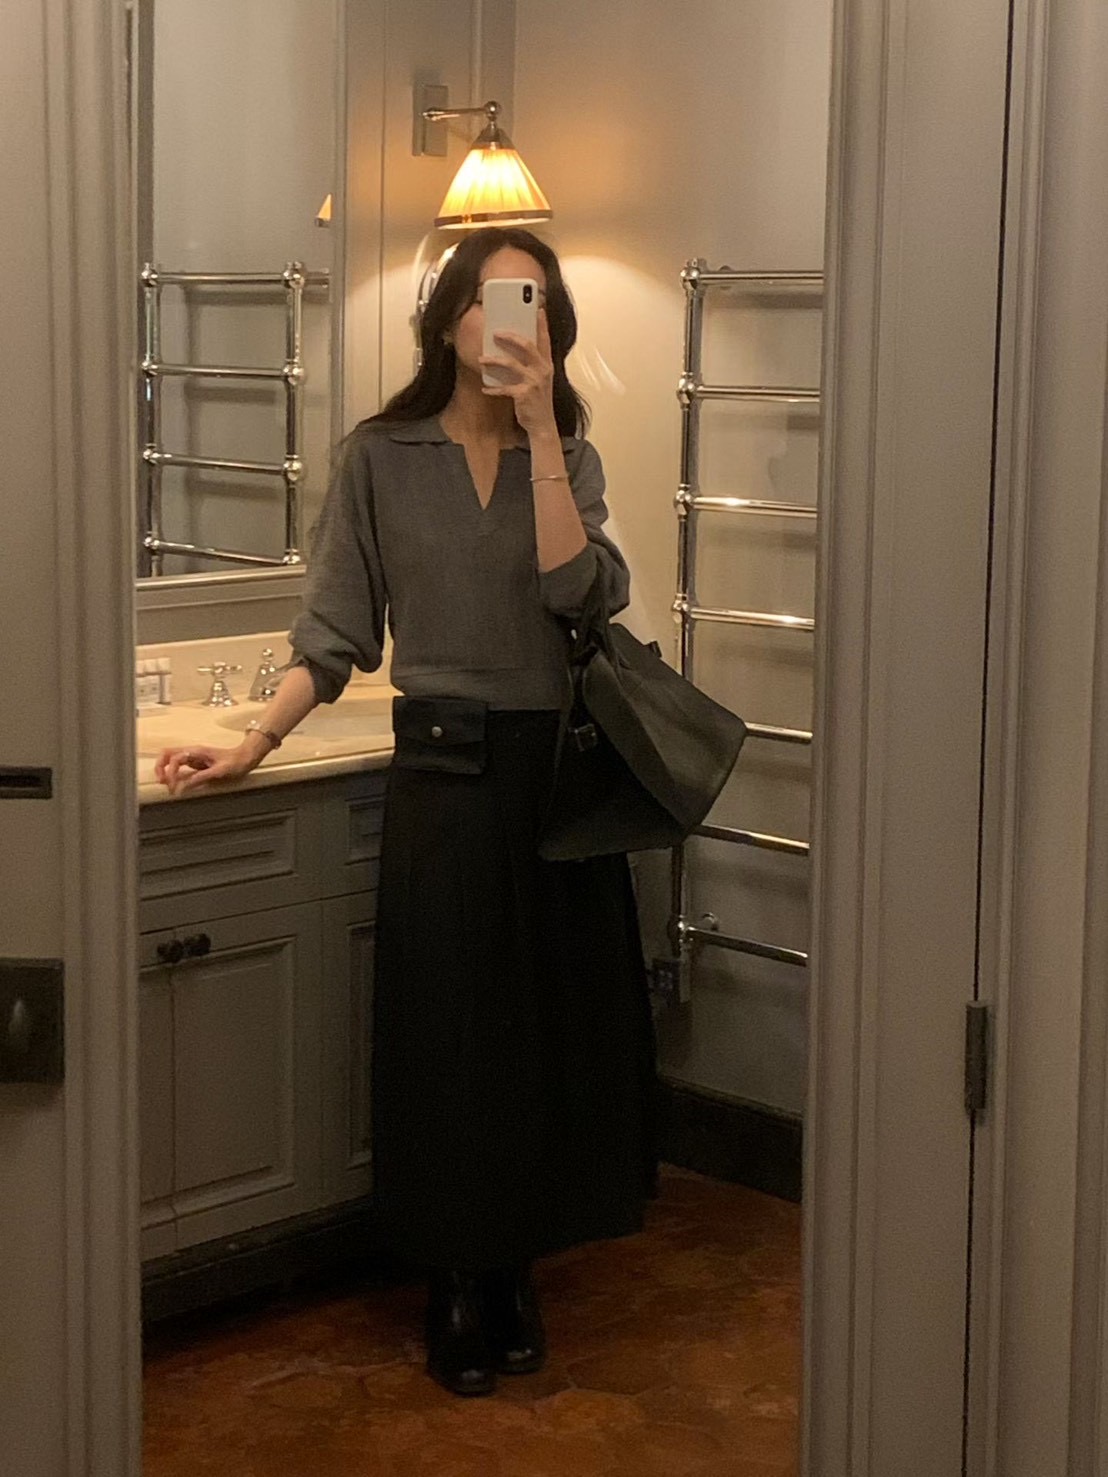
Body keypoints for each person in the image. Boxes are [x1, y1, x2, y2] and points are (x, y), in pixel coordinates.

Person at [155, 225, 661, 1398]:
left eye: (531, 305)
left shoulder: (569, 456)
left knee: (543, 1037)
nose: (508, 323)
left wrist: (542, 436)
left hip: (554, 779)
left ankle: (517, 1265)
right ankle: (455, 1278)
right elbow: (334, 631)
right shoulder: (380, 457)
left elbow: (578, 594)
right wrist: (253, 739)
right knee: (449, 1040)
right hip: (442, 776)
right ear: (446, 319)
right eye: (489, 301)